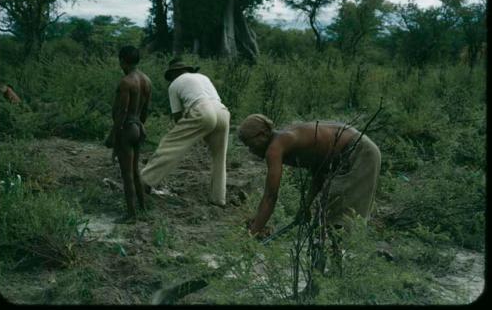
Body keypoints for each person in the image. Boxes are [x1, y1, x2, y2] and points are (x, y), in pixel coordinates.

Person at [237, 114, 381, 236]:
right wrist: (305, 206)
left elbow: (270, 196)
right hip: (355, 150)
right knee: (327, 217)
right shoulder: (289, 142)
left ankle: (344, 263)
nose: (251, 150)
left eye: (250, 144)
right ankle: (332, 262)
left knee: (341, 218)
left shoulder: (276, 147)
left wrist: (253, 234)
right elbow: (319, 171)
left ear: (262, 134)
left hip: (361, 152)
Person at [140, 58, 230, 207]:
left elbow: (177, 117)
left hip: (202, 110)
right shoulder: (203, 77)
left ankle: (145, 181)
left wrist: (186, 135)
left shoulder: (174, 84)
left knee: (170, 144)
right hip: (223, 112)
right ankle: (218, 199)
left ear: (174, 73)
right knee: (220, 157)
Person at [104, 45, 152, 223]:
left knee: (127, 174)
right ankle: (143, 208)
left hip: (126, 128)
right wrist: (140, 126)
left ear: (122, 60)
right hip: (138, 127)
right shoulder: (146, 80)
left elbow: (122, 112)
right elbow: (145, 110)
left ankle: (131, 215)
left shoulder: (126, 82)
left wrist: (112, 135)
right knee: (135, 171)